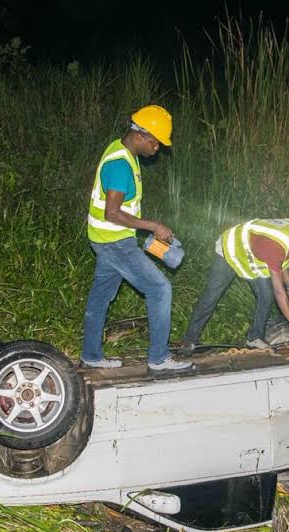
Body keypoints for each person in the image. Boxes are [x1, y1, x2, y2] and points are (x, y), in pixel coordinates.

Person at [81, 105, 193, 372]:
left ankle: (91, 356)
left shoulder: (121, 151)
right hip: (115, 241)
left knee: (100, 297)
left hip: (105, 238)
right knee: (160, 289)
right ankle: (159, 358)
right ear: (140, 135)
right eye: (155, 142)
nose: (157, 148)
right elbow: (112, 212)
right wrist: (152, 225)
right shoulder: (120, 165)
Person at [180, 219, 289, 353]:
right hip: (230, 249)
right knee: (211, 296)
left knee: (266, 294)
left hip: (252, 257)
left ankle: (254, 338)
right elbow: (279, 292)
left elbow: (284, 261)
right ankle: (189, 340)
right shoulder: (274, 247)